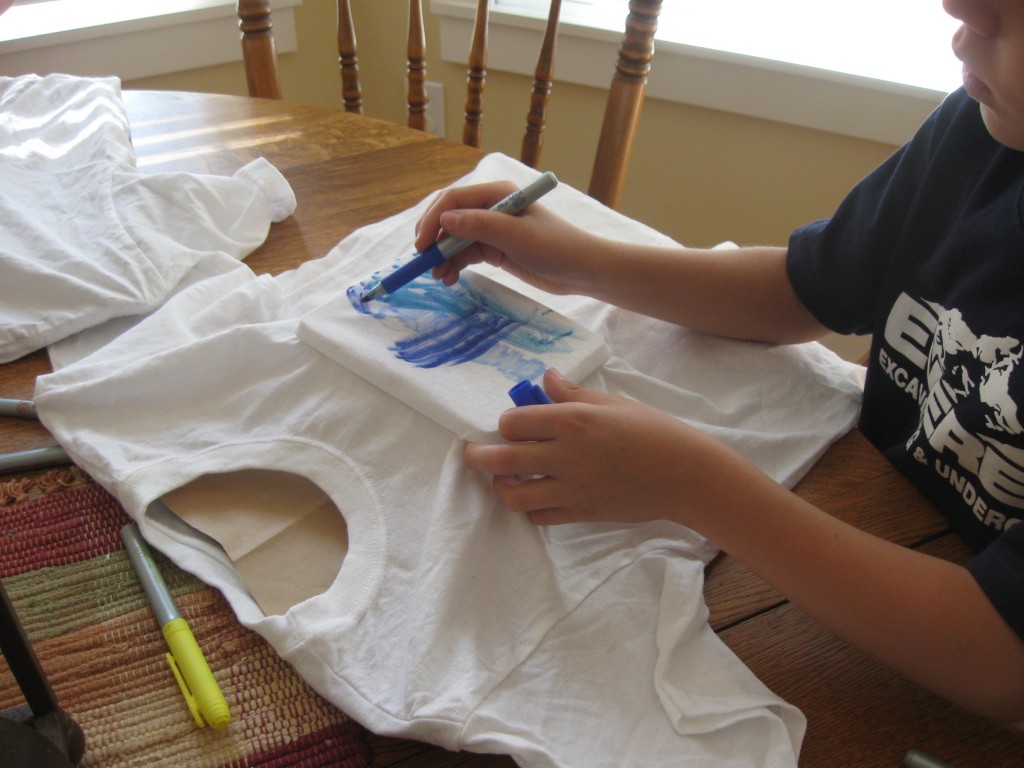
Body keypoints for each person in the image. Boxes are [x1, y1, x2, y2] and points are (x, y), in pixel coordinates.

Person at [411, 0, 1024, 723]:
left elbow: (1000, 663)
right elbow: (803, 291)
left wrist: (695, 484)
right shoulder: (979, 134)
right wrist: (585, 261)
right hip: (874, 525)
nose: (962, 9)